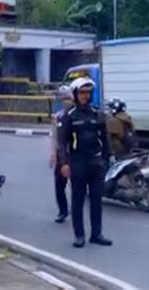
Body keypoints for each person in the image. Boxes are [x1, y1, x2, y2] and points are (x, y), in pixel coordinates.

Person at [58, 77, 112, 248]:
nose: (85, 96)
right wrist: (64, 163)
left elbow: (105, 138)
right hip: (77, 162)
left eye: (88, 92)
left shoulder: (97, 114)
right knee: (78, 200)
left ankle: (96, 234)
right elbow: (62, 142)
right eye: (82, 92)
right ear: (75, 94)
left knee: (96, 200)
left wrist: (106, 159)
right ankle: (79, 235)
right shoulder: (69, 116)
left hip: (95, 163)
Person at [49, 85, 74, 223]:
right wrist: (53, 154)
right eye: (63, 99)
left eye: (68, 98)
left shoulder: (77, 115)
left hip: (76, 155)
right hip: (62, 155)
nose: (66, 101)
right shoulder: (58, 117)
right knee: (59, 185)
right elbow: (55, 137)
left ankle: (76, 211)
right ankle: (63, 210)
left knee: (77, 187)